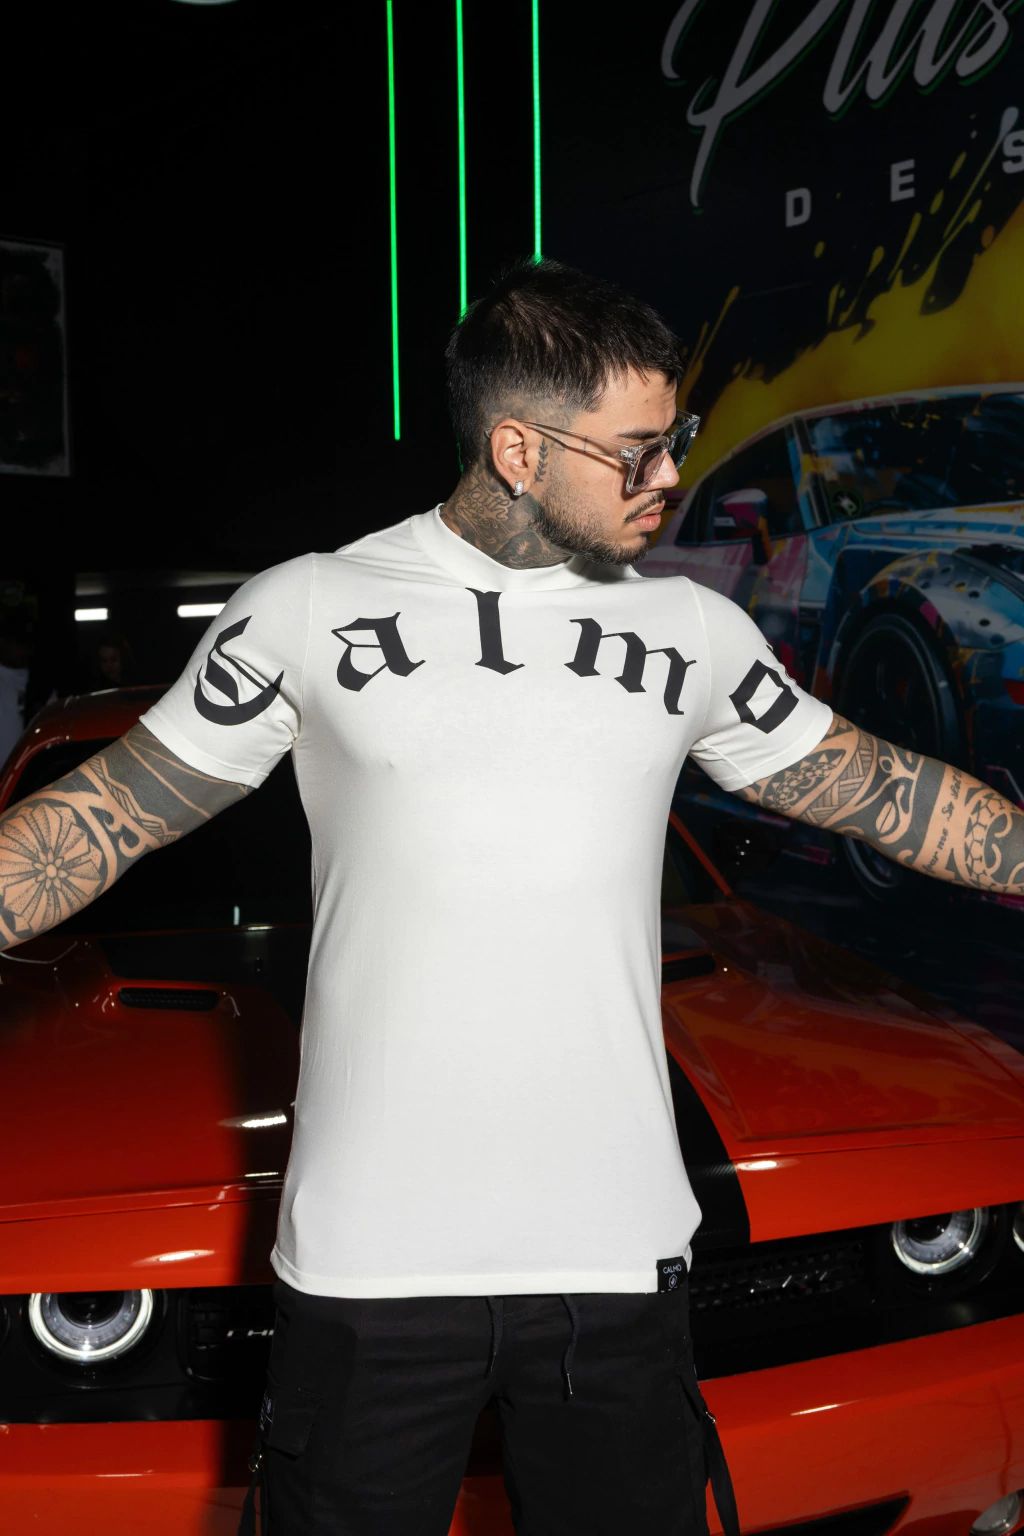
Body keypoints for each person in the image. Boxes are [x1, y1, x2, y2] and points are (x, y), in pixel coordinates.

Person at [1, 260, 1022, 1536]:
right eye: (638, 451)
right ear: (518, 450)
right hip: (371, 1264)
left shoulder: (694, 631)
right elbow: (108, 816)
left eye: (675, 440)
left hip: (616, 1260)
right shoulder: (307, 609)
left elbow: (879, 789)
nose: (670, 477)